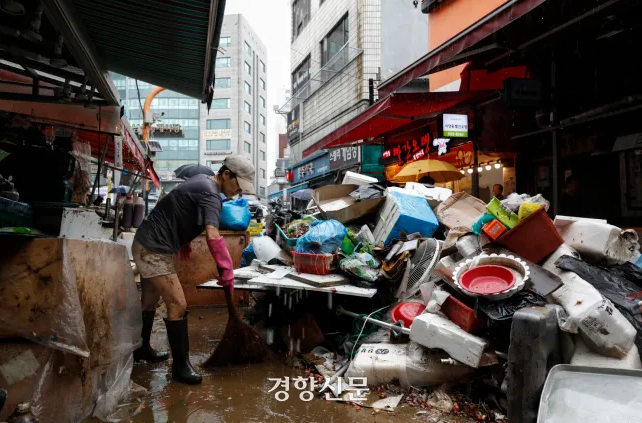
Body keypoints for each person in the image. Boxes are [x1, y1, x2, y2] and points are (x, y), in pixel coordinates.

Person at [131, 155, 255, 385]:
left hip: (147, 242)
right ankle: (181, 367)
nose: (238, 192)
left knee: (148, 302)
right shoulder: (211, 194)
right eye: (238, 185)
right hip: (153, 249)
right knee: (178, 304)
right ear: (226, 174)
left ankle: (141, 349)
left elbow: (177, 207)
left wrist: (184, 239)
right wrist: (227, 269)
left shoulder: (201, 180)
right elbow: (213, 235)